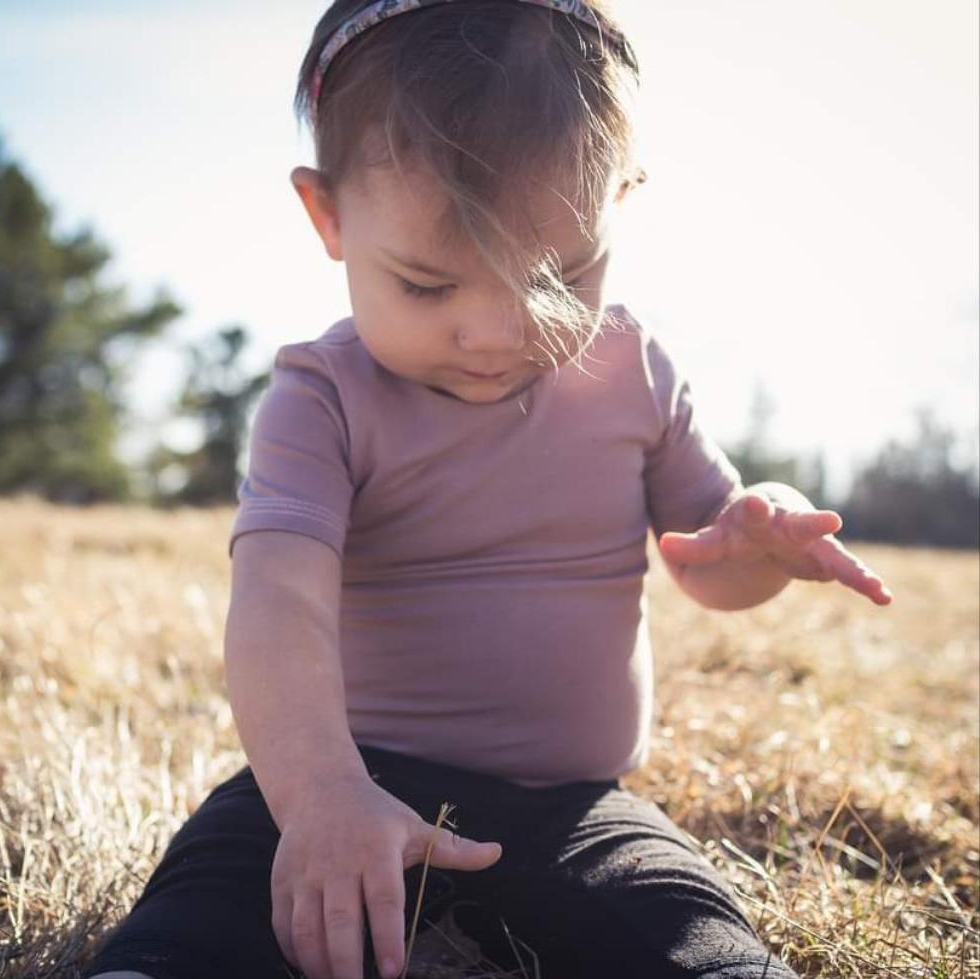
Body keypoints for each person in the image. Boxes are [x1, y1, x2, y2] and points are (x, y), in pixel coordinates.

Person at [85, 2, 892, 977]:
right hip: (343, 776)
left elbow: (706, 563)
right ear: (329, 216)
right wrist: (318, 793)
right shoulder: (323, 397)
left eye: (563, 274)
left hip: (573, 807)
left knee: (689, 929)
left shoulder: (635, 371)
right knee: (206, 905)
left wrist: (756, 547)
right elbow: (277, 603)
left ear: (619, 203)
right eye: (430, 286)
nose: (501, 334)